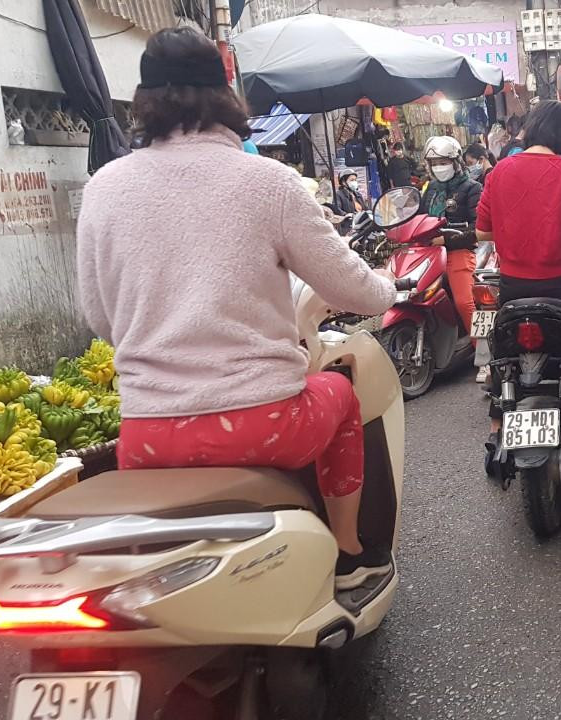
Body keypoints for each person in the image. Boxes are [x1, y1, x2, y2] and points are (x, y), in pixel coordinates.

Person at [75, 27, 396, 589]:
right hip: (262, 425)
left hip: (147, 438)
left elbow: (101, 318)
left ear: (144, 102)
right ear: (227, 93)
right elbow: (353, 290)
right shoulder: (269, 182)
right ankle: (348, 554)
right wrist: (388, 288)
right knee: (342, 395)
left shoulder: (105, 186)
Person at [476, 100, 561, 433]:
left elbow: (482, 229)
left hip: (514, 285)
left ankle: (497, 421)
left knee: (503, 348)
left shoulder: (499, 170)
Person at [418, 136, 481, 340]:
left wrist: (445, 240)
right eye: (434, 164)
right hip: (429, 253)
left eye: (443, 163)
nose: (439, 167)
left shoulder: (472, 188)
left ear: (456, 162)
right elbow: (418, 217)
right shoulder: (430, 190)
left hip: (458, 251)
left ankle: (483, 351)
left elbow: (477, 228)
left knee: (465, 302)